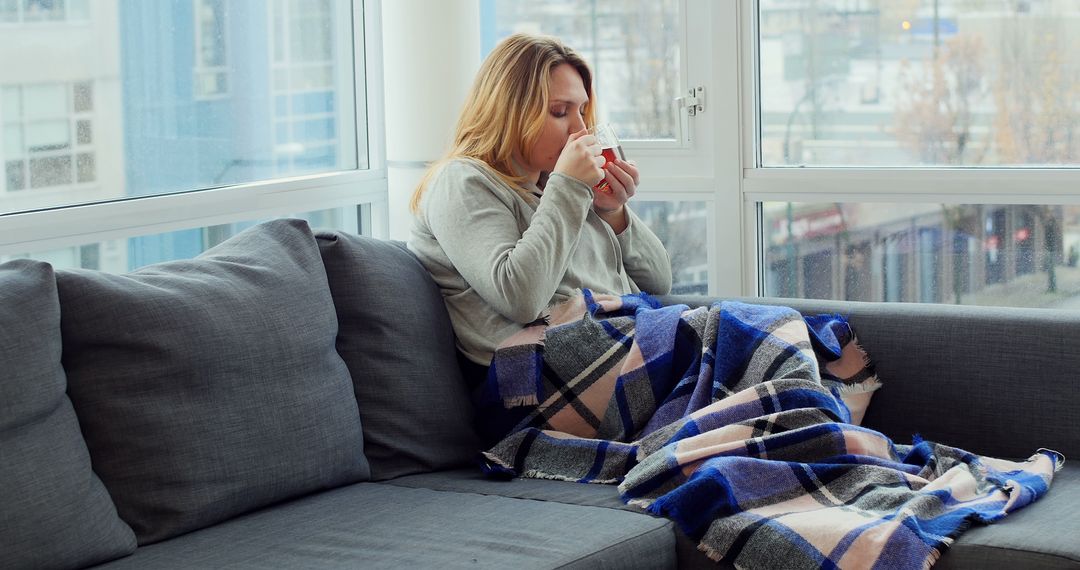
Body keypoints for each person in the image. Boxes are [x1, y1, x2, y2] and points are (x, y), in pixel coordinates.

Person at [407, 33, 673, 389]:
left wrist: (613, 212)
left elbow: (659, 281)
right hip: (551, 382)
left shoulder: (554, 187)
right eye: (560, 112)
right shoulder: (462, 181)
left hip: (623, 347)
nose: (579, 129)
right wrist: (568, 186)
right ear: (509, 112)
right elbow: (521, 298)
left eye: (582, 111)